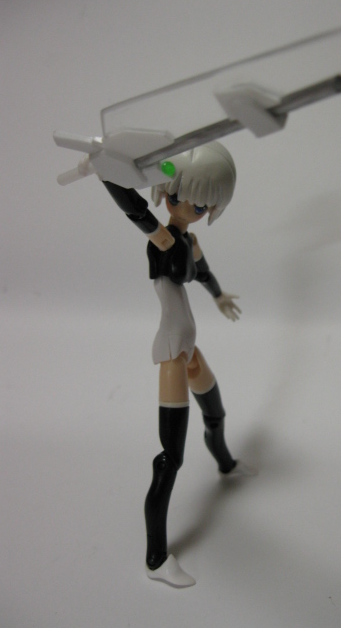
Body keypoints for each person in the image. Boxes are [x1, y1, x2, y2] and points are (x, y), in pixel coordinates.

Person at [103, 141, 253, 587]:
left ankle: (226, 464)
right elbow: (134, 209)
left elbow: (202, 273)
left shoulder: (190, 240)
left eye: (200, 205)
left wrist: (219, 296)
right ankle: (156, 558)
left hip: (189, 346)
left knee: (215, 411)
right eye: (175, 196)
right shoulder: (164, 238)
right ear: (164, 194)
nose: (186, 208)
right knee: (171, 459)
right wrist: (106, 170)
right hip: (172, 350)